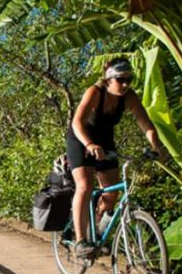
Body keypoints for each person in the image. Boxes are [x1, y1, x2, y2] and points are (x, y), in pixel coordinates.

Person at [66, 58, 162, 258]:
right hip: (81, 138)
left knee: (112, 195)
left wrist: (156, 147)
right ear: (109, 79)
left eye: (129, 79)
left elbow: (146, 125)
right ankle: (80, 241)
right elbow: (77, 122)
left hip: (105, 141)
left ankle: (98, 233)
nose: (126, 84)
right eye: (121, 79)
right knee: (85, 185)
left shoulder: (129, 97)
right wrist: (89, 145)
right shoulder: (95, 92)